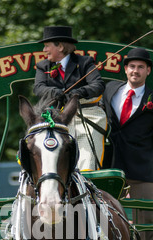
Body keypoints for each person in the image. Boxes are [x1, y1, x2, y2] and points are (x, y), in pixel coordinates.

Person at [102, 48, 153, 240]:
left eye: (141, 67)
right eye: (132, 66)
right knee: (105, 216)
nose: (136, 70)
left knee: (146, 221)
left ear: (148, 71)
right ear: (125, 69)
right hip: (109, 167)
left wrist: (143, 153)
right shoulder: (110, 90)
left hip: (141, 169)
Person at [34, 25, 107, 171]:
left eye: (47, 46)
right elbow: (38, 88)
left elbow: (98, 85)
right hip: (56, 118)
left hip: (85, 116)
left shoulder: (85, 62)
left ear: (60, 46)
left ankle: (87, 178)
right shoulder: (43, 66)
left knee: (87, 156)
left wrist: (78, 92)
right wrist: (56, 92)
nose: (44, 50)